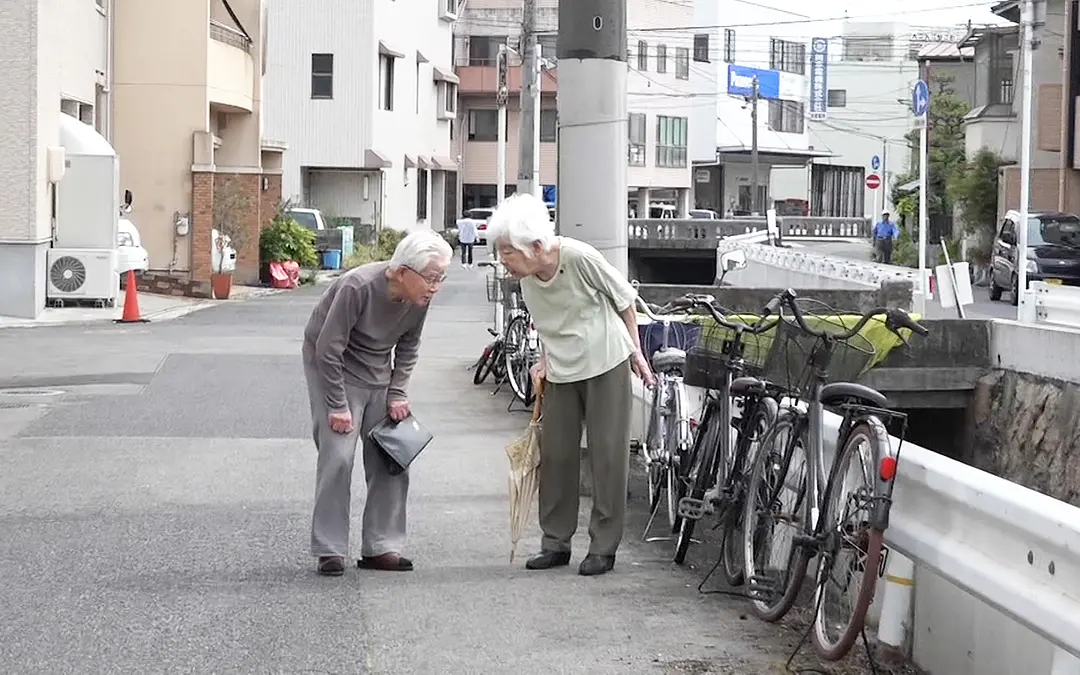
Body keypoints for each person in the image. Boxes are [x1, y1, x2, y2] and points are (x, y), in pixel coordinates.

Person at [486, 193, 656, 577]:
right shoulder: (526, 277)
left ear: (536, 245)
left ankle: (603, 547)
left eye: (507, 252)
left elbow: (624, 299)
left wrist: (636, 353)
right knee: (557, 454)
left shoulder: (578, 257)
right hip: (562, 367)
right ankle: (555, 542)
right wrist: (544, 360)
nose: (503, 260)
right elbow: (548, 321)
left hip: (605, 360)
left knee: (606, 455)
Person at [302, 230, 452, 577]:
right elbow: (328, 349)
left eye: (440, 279)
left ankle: (382, 546)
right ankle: (330, 548)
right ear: (402, 271)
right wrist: (337, 405)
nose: (435, 287)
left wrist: (398, 392)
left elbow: (409, 347)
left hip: (378, 369)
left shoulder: (418, 301)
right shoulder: (358, 286)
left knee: (392, 453)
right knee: (338, 455)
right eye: (430, 278)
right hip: (333, 365)